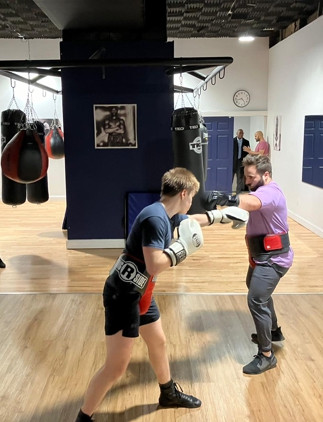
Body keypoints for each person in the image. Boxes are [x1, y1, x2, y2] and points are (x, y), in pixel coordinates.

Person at [75, 167, 249, 421]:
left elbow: (189, 221)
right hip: (124, 295)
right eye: (191, 198)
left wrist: (220, 216)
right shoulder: (156, 219)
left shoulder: (166, 213)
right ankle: (83, 417)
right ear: (183, 193)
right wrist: (182, 249)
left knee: (158, 342)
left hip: (141, 288)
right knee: (116, 367)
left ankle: (167, 393)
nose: (191, 203)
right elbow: (155, 263)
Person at [218, 155, 293, 375]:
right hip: (261, 256)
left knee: (256, 299)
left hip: (274, 259)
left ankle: (267, 355)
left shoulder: (271, 192)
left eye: (251, 177)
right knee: (255, 288)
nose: (248, 181)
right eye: (246, 177)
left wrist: (226, 198)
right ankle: (274, 331)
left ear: (266, 174)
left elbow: (253, 203)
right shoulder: (259, 190)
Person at [233, 129, 250, 194]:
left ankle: (238, 194)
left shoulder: (246, 142)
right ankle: (228, 193)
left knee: (239, 179)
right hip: (233, 162)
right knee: (230, 178)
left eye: (242, 133)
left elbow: (248, 152)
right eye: (240, 133)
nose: (241, 134)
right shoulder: (232, 141)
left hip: (241, 162)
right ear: (236, 133)